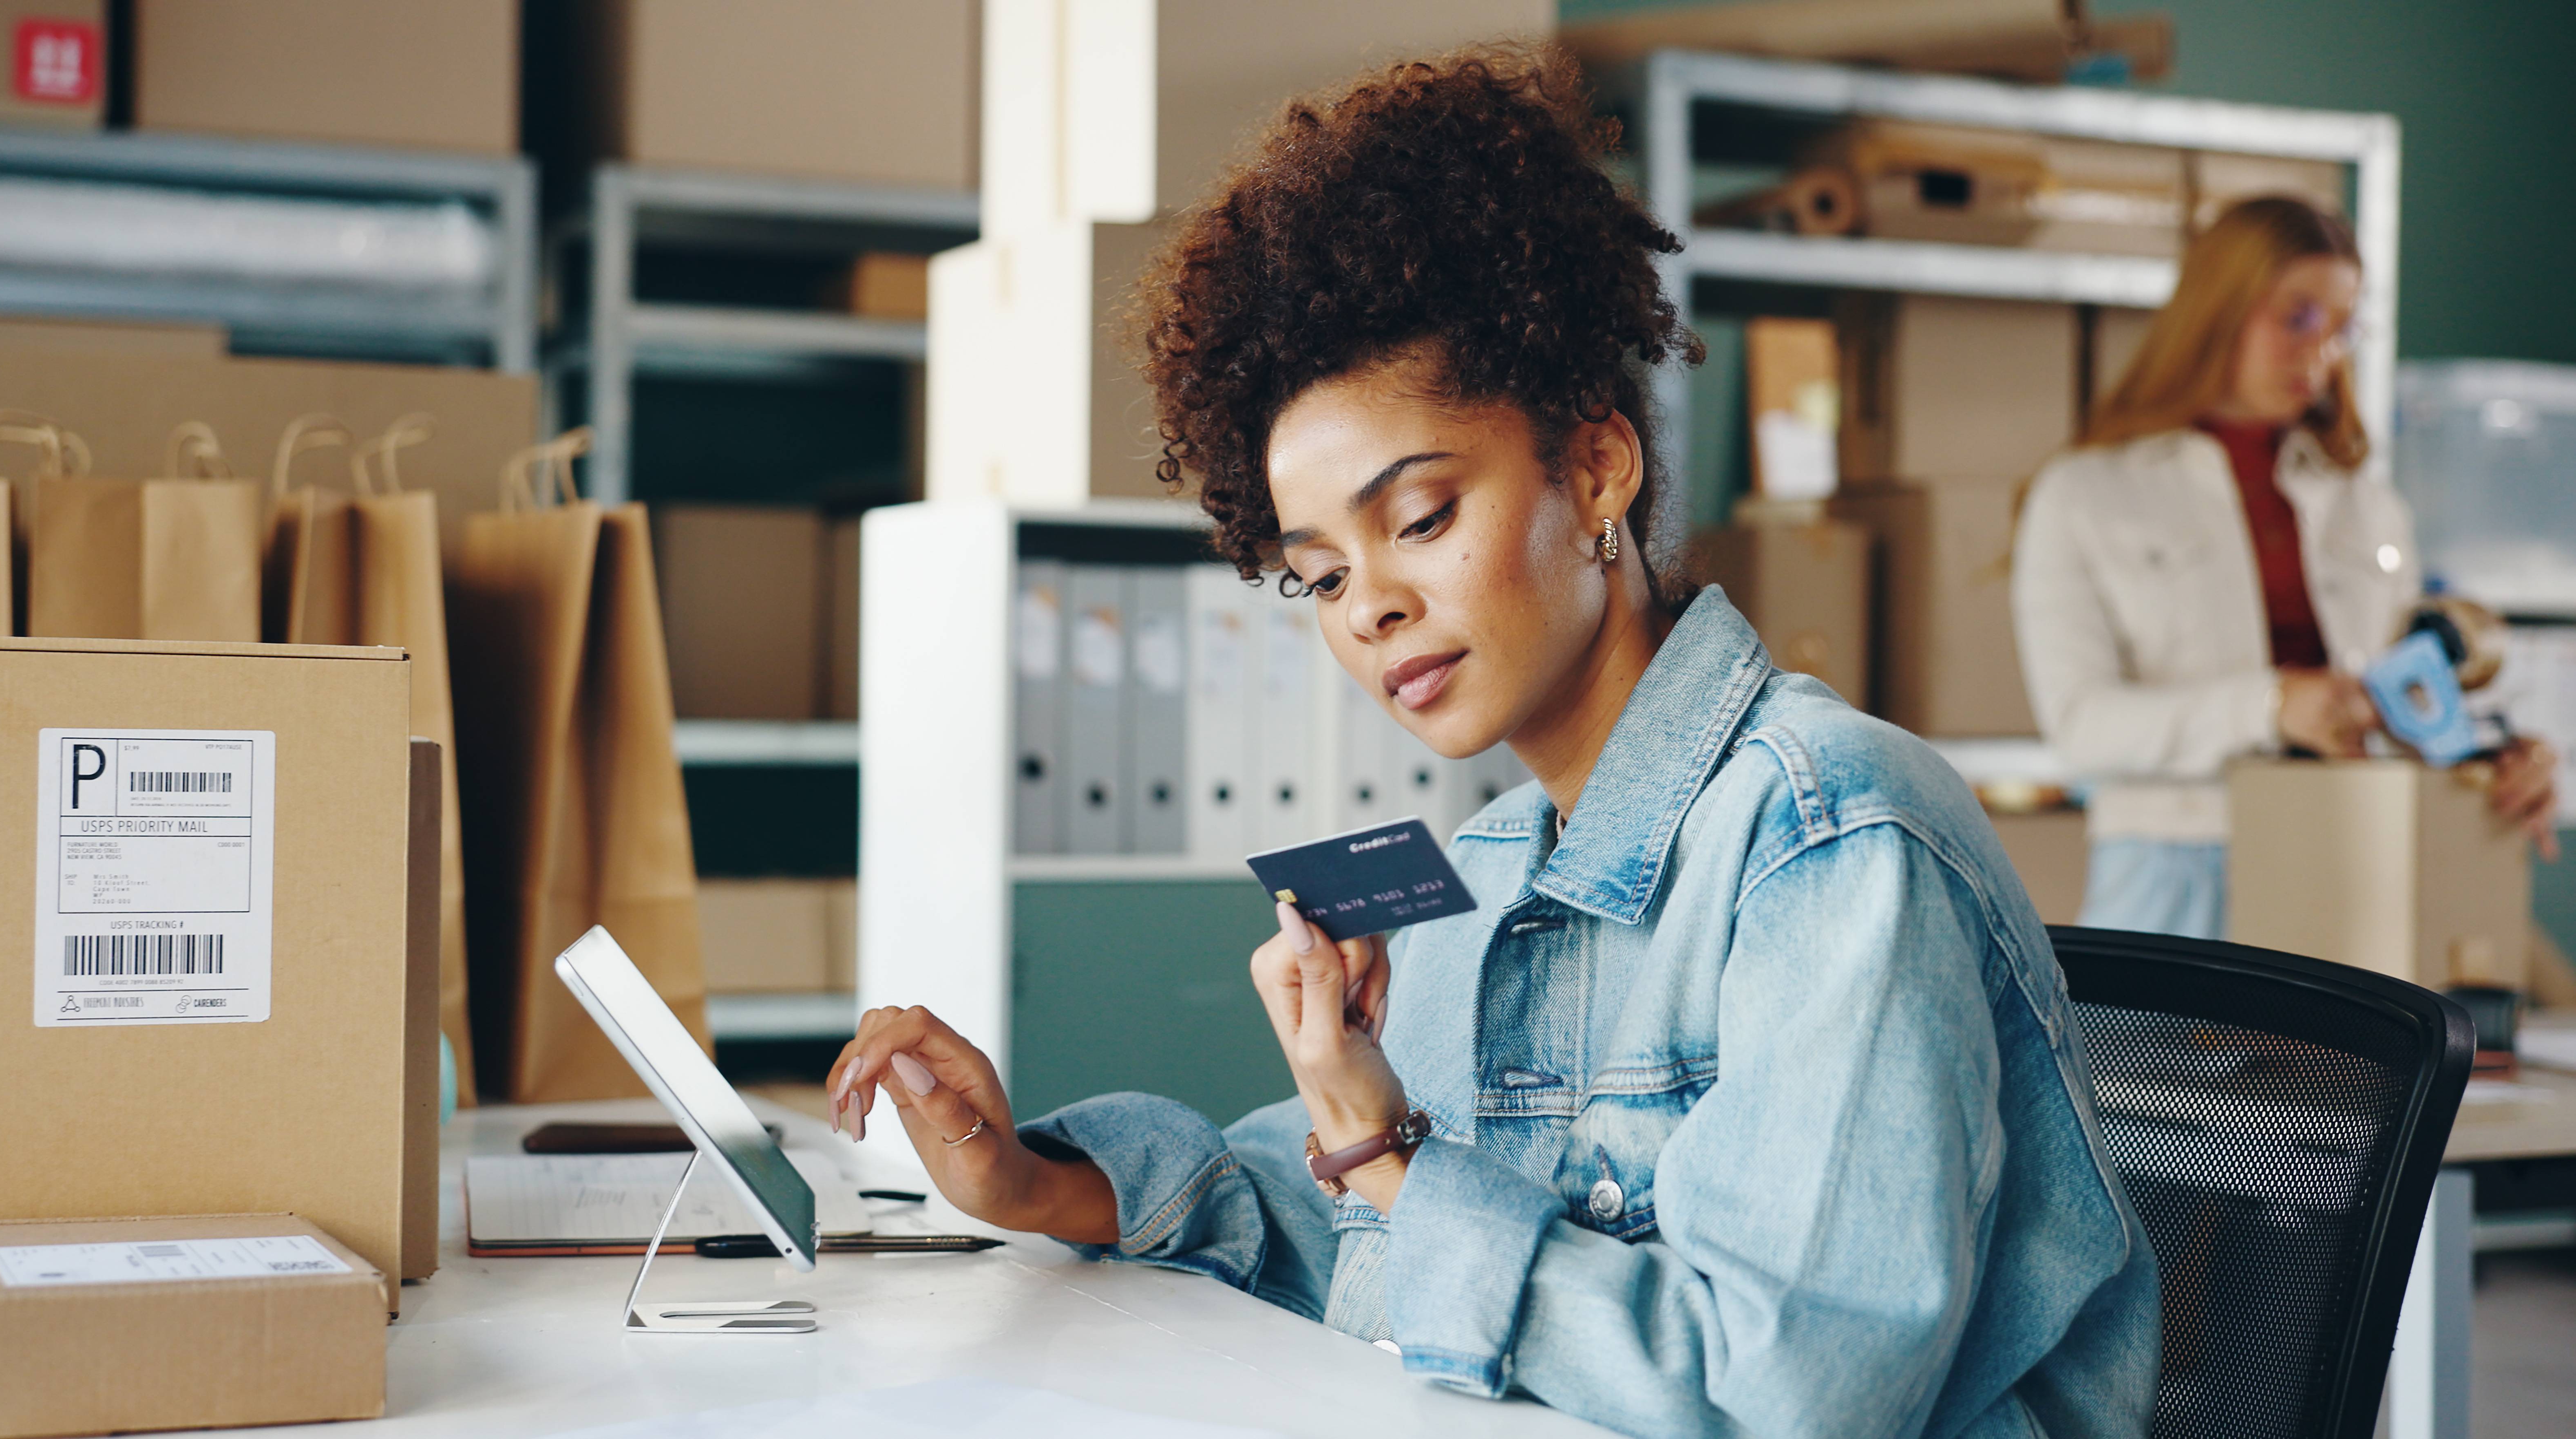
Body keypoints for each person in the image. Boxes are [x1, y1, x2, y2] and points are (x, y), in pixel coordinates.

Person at [828, 48, 2157, 1437]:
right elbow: (1332, 1215)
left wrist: (1390, 1151)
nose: (1374, 608)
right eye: (1322, 576)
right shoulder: (1493, 864)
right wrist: (1035, 1183)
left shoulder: (1828, 842)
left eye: (1417, 519)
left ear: (1594, 471)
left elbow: (1783, 1398)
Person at [2014, 196, 2558, 940]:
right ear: (2218, 311)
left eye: (2341, 328)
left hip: (2353, 859)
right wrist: (2270, 707)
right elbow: (2080, 726)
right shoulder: (2083, 493)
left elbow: (2406, 699)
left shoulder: (2367, 506)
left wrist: (2493, 756)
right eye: (2298, 318)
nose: (2323, 354)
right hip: (2175, 878)